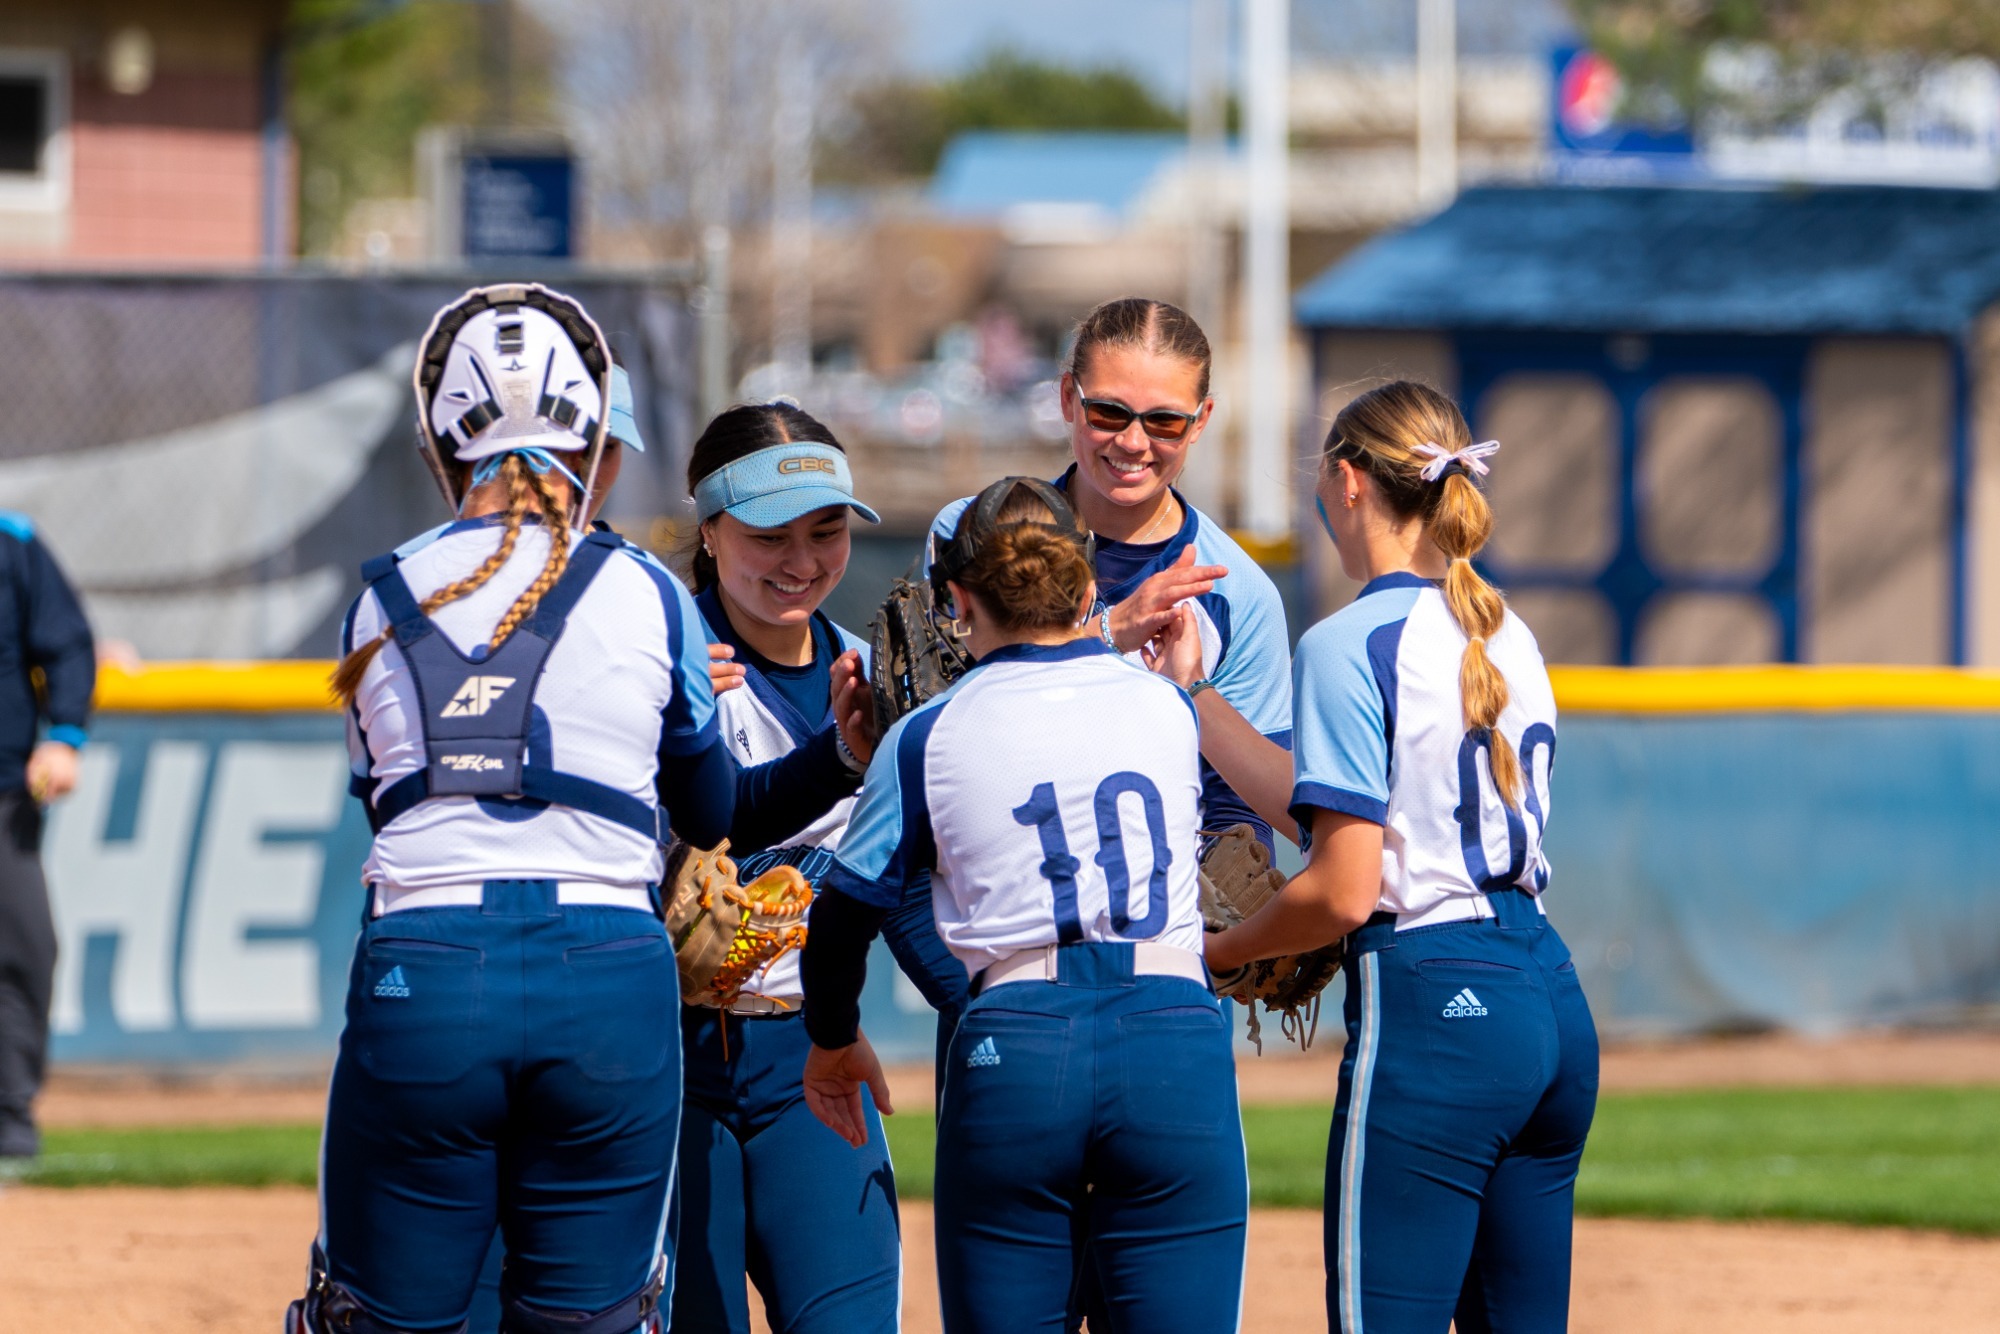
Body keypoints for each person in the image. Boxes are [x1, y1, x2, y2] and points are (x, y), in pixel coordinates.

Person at [291, 286, 868, 1334]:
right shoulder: (646, 592)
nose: (799, 556)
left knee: (390, 1315)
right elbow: (706, 803)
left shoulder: (381, 591)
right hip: (608, 975)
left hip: (425, 962)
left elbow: (385, 807)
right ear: (592, 440)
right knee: (593, 1316)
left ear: (439, 437)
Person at [1144, 381, 1599, 1333]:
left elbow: (1343, 892)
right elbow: (1338, 818)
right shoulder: (1504, 632)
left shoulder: (1350, 640)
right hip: (1548, 999)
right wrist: (1194, 699)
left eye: (1321, 474)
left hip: (1436, 1002)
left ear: (1348, 482)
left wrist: (1214, 951)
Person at [798, 477, 1249, 1334]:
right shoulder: (1169, 708)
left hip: (1018, 1042)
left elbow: (845, 915)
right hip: (1172, 1034)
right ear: (1088, 591)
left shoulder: (925, 734)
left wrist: (829, 1043)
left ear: (957, 601)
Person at [669, 401, 951, 1334]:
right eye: (767, 535)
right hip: (666, 1063)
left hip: (806, 1052)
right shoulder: (656, 665)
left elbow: (905, 888)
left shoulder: (874, 676)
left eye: (826, 531)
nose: (801, 560)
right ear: (709, 532)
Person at [0, 516, 94, 1160]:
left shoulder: (13, 543)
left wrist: (64, 734)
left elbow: (65, 644)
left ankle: (8, 1115)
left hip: (4, 795)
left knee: (25, 951)